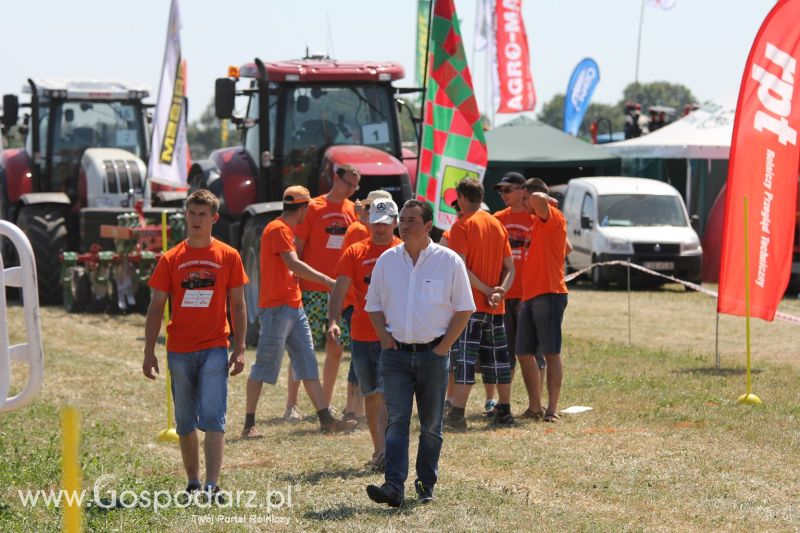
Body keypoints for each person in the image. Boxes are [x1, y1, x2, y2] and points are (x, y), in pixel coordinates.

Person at [364, 199, 474, 507]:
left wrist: (443, 347)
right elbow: (372, 305)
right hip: (396, 356)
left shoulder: (448, 261)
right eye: (403, 219)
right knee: (397, 420)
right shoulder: (386, 261)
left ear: (428, 226)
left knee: (430, 426)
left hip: (433, 356)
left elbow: (465, 308)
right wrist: (386, 341)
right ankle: (393, 486)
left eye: (413, 220)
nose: (405, 224)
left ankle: (426, 484)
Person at [142, 190, 248, 500]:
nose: (197, 220)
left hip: (216, 346)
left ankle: (213, 486)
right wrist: (149, 350)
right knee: (185, 420)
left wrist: (239, 347)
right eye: (192, 213)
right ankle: (192, 482)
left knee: (214, 417)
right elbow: (156, 306)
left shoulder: (229, 256)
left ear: (214, 218)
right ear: (186, 216)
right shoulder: (171, 258)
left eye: (203, 214)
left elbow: (239, 306)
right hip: (179, 350)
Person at [242, 185, 356, 437]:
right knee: (263, 366)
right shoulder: (278, 229)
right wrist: (328, 281)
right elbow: (293, 263)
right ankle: (249, 424)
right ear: (303, 208)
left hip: (294, 306)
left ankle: (326, 420)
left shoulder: (284, 228)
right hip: (277, 308)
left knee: (307, 363)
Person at [327, 198, 402, 472]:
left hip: (396, 336)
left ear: (395, 222)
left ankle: (387, 451)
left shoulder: (405, 252)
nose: (380, 228)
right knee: (371, 394)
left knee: (386, 393)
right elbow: (339, 289)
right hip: (362, 335)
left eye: (385, 223)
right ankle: (379, 448)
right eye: (375, 223)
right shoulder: (355, 252)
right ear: (367, 222)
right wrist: (333, 321)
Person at [286, 164, 360, 419]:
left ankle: (325, 403)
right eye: (349, 183)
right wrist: (295, 280)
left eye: (356, 185)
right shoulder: (314, 208)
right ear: (336, 178)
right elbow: (298, 247)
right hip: (312, 289)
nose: (352, 189)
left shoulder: (354, 211)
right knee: (302, 348)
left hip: (341, 291)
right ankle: (291, 404)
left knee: (336, 347)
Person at [443, 178, 515, 430]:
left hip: (469, 308)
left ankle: (458, 415)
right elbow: (510, 268)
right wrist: (500, 292)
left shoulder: (462, 226)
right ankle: (504, 410)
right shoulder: (497, 225)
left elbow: (460, 266)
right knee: (498, 359)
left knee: (464, 360)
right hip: (496, 308)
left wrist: (485, 291)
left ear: (462, 198)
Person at [337, 189, 393, 422]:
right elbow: (350, 273)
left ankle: (355, 409)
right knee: (360, 367)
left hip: (365, 309)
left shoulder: (394, 243)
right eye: (370, 208)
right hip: (357, 305)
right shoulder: (358, 232)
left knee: (371, 374)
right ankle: (353, 408)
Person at [491, 172, 545, 415]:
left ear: (522, 190)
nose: (502, 195)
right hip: (505, 295)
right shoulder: (497, 220)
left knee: (535, 353)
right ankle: (505, 404)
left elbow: (562, 248)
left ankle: (537, 404)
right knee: (506, 352)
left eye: (507, 190)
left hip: (531, 294)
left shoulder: (538, 217)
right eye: (500, 191)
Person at [517, 178, 569, 423]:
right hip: (530, 295)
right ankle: (535, 407)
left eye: (525, 198)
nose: (524, 203)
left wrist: (542, 198)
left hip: (549, 293)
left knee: (551, 353)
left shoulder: (552, 216)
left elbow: (539, 198)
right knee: (524, 352)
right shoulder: (539, 223)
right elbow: (566, 247)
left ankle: (552, 409)